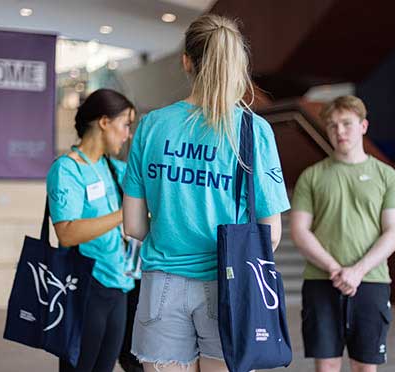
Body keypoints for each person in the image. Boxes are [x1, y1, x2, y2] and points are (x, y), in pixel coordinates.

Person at [121, 14, 290, 372]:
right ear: (236, 64)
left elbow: (133, 226)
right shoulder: (253, 130)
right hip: (231, 287)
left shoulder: (151, 126)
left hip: (160, 284)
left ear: (186, 61)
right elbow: (270, 233)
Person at [290, 95, 395, 372]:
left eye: (346, 123)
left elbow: (393, 233)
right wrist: (334, 268)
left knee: (365, 365)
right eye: (332, 125)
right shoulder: (311, 176)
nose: (339, 131)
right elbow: (299, 230)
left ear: (363, 126)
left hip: (372, 281)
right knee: (327, 365)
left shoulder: (387, 176)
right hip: (321, 280)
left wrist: (357, 271)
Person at [46, 88, 136, 372]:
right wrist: (123, 214)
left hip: (119, 285)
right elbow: (67, 233)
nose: (127, 134)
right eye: (125, 124)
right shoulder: (67, 169)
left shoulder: (113, 169)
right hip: (85, 287)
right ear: (104, 122)